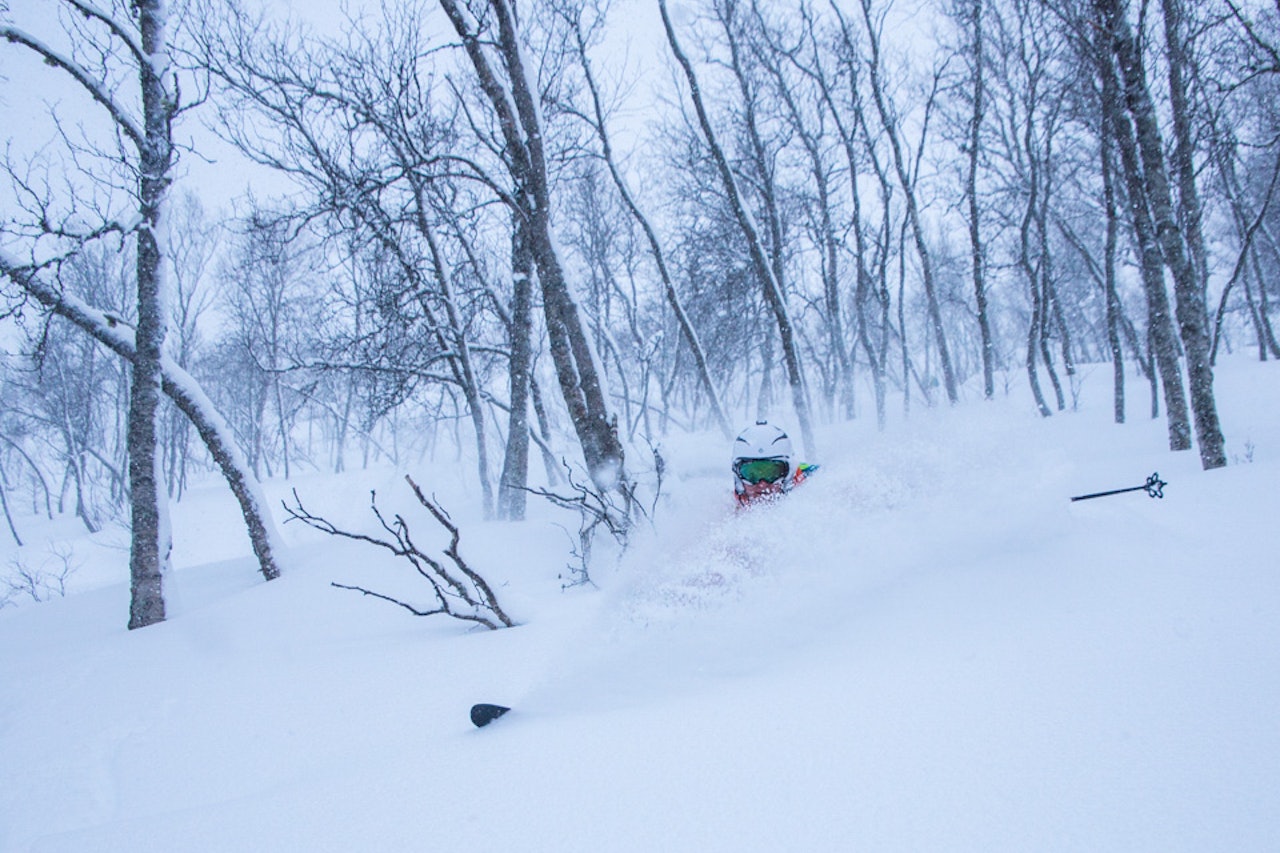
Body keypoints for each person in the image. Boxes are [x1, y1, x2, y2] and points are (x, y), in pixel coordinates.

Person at [731, 421, 817, 508]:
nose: (762, 485)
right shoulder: (729, 507)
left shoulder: (812, 487)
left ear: (788, 474)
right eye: (751, 474)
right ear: (738, 477)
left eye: (772, 473)